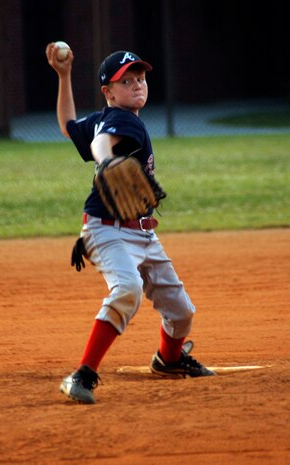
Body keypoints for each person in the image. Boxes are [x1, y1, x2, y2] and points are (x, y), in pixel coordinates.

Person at [45, 43, 215, 404]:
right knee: (127, 289)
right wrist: (106, 160)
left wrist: (64, 77)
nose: (137, 85)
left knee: (181, 310)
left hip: (142, 233)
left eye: (140, 78)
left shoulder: (103, 117)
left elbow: (67, 126)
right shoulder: (121, 121)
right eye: (127, 81)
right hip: (108, 230)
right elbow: (103, 144)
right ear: (109, 92)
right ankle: (83, 374)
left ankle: (169, 360)